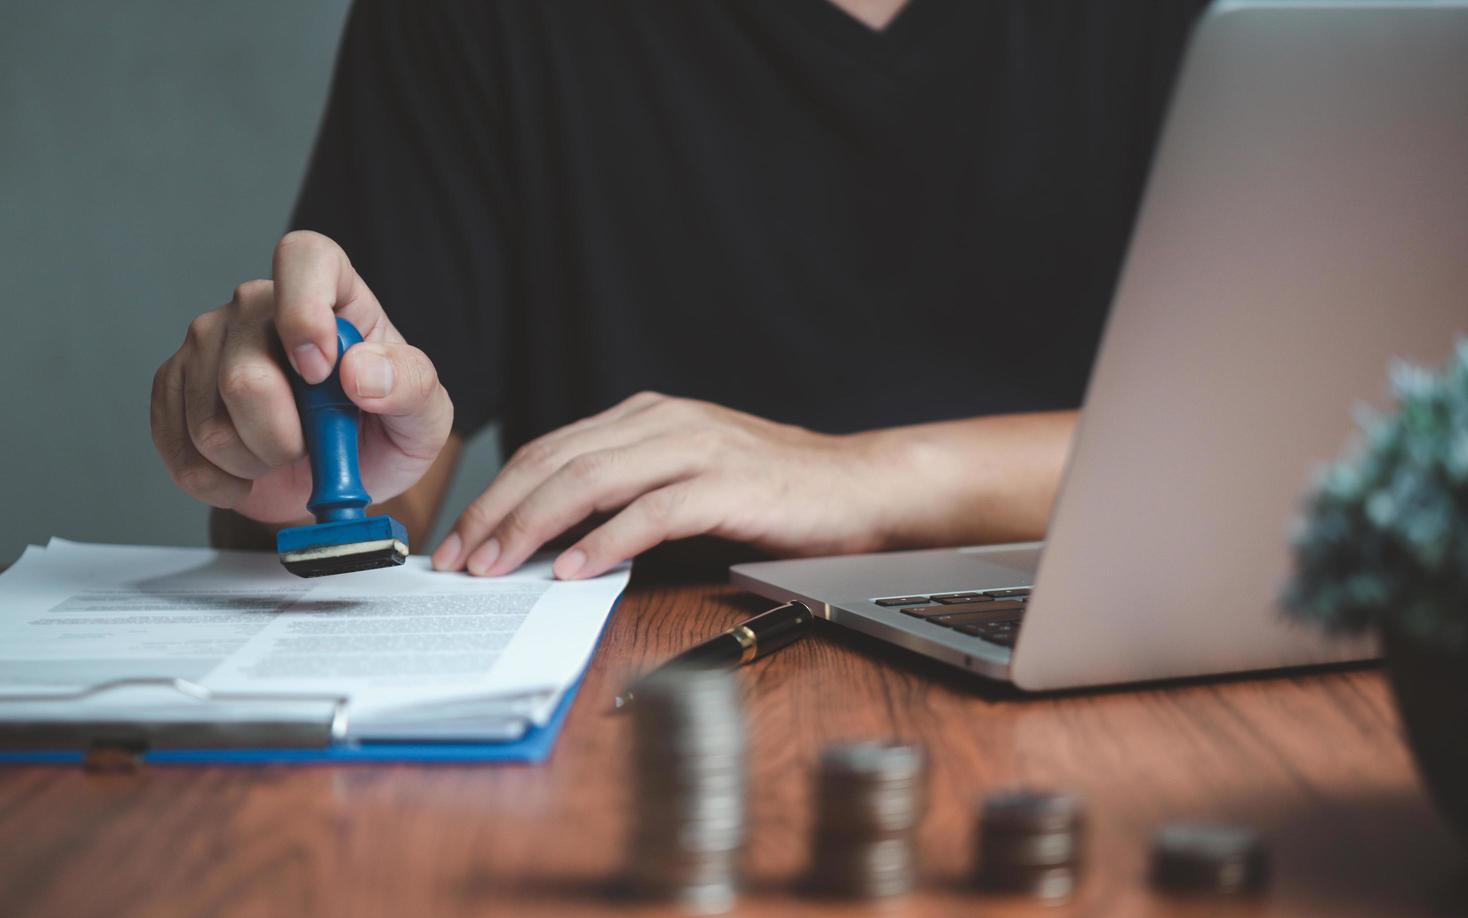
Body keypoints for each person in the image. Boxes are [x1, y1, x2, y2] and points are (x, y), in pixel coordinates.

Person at [149, 0, 1207, 581]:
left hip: (1121, 648)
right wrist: (289, 459)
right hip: (626, 714)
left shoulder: (1207, 23)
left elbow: (1312, 447)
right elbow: (371, 487)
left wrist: (861, 480)